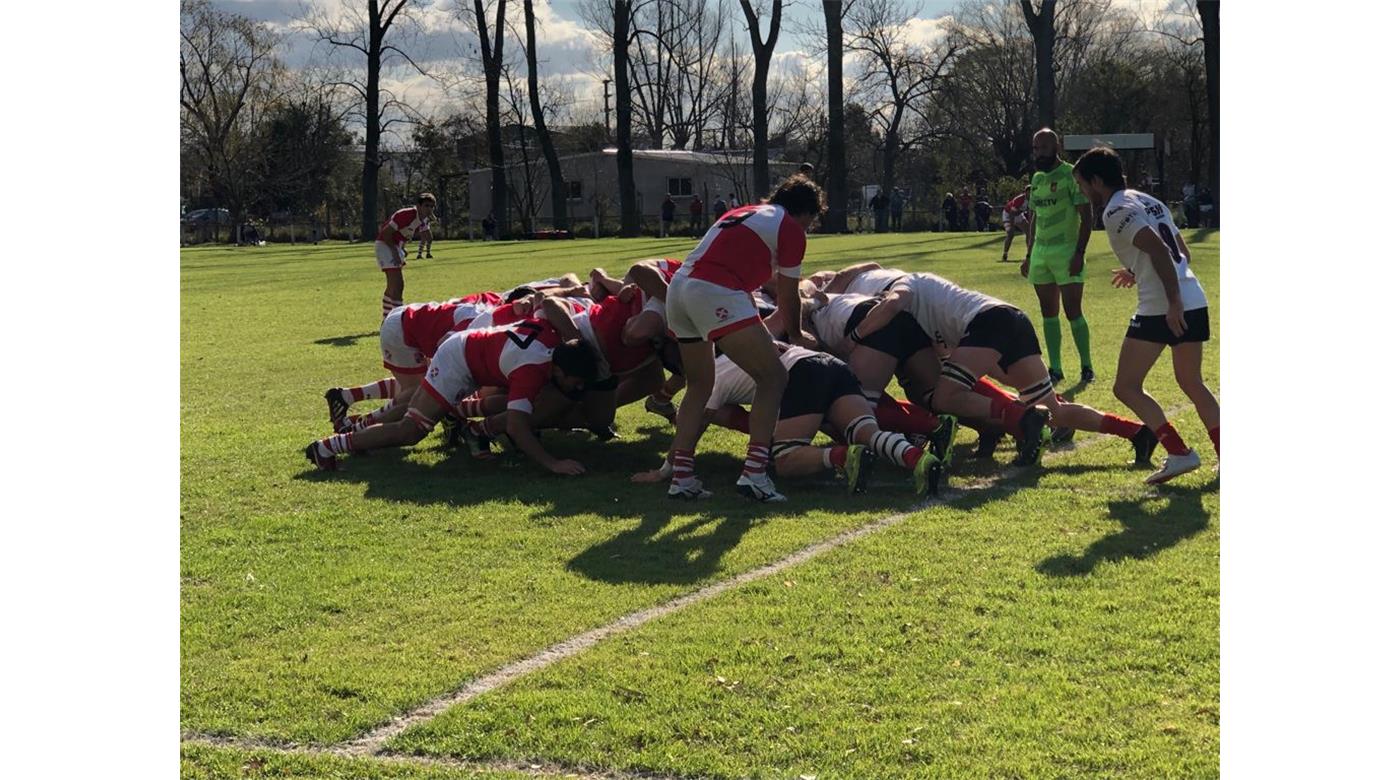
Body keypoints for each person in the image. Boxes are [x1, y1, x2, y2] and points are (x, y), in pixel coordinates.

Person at [850, 272, 1157, 471]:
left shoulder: (904, 285)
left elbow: (893, 303)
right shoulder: (929, 313)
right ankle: (1136, 432)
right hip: (1011, 321)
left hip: (989, 321)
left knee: (944, 398)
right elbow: (965, 360)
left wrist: (855, 335)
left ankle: (1022, 418)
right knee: (1053, 409)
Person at [661, 175, 825, 503]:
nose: (809, 228)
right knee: (773, 377)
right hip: (712, 290)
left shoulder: (743, 213)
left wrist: (761, 334)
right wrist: (796, 334)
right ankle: (754, 474)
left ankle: (682, 477)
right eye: (812, 221)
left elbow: (740, 285)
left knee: (699, 385)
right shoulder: (790, 228)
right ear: (806, 212)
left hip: (679, 290)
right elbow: (788, 295)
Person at [1072, 146, 1218, 483]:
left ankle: (1179, 452)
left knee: (1126, 386)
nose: (1082, 192)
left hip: (1163, 306)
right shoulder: (1148, 200)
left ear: (1097, 181)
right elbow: (1182, 253)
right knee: (1192, 383)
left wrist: (1172, 302)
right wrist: (1139, 272)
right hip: (1194, 297)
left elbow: (1159, 250)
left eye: (1082, 184)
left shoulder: (1115, 209)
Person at [632, 344, 949, 496]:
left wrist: (666, 470)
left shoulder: (714, 376)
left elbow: (691, 426)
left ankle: (844, 456)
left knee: (784, 459)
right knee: (866, 431)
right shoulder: (738, 348)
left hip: (801, 375)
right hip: (828, 364)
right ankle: (917, 458)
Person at [304, 319, 601, 474]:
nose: (577, 388)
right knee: (412, 430)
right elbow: (516, 426)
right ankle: (327, 447)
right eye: (575, 382)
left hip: (471, 351)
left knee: (414, 403)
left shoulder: (552, 344)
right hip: (458, 362)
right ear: (559, 369)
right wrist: (552, 463)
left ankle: (473, 430)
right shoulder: (531, 371)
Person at [1024, 128, 1095, 384]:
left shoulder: (1070, 175)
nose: (1038, 153)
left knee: (1073, 311)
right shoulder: (1037, 178)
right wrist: (1029, 254)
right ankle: (1055, 368)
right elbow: (1034, 218)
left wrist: (1079, 252)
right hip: (1041, 254)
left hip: (1066, 252)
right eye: (1035, 148)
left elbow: (1087, 216)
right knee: (1048, 312)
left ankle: (1087, 366)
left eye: (1043, 147)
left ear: (1056, 148)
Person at [375, 193, 436, 320]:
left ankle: (387, 319)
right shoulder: (406, 215)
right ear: (418, 206)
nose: (429, 209)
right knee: (398, 285)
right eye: (426, 206)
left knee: (392, 286)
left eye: (431, 206)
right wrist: (395, 252)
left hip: (396, 246)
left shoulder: (423, 219)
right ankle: (399, 319)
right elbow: (385, 233)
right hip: (385, 244)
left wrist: (402, 248)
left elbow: (424, 237)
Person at [1001, 187, 1031, 263]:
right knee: (1010, 234)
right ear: (1025, 192)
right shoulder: (1019, 199)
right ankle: (1005, 253)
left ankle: (1029, 253)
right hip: (1008, 214)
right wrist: (1012, 226)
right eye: (1029, 192)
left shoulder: (1032, 200)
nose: (1031, 194)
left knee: (1029, 232)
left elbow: (1030, 213)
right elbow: (1012, 213)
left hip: (1018, 214)